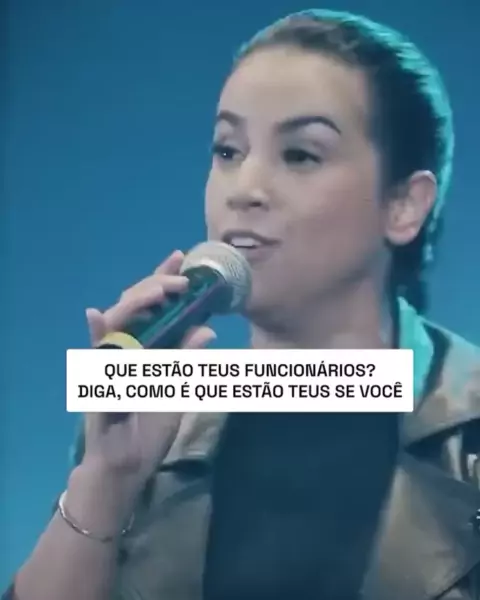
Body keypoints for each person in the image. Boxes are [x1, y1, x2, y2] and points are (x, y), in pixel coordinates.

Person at [4, 8, 480, 600]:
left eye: (300, 155)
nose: (245, 190)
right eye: (228, 151)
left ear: (404, 204)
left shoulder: (467, 429)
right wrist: (105, 481)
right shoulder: (160, 421)